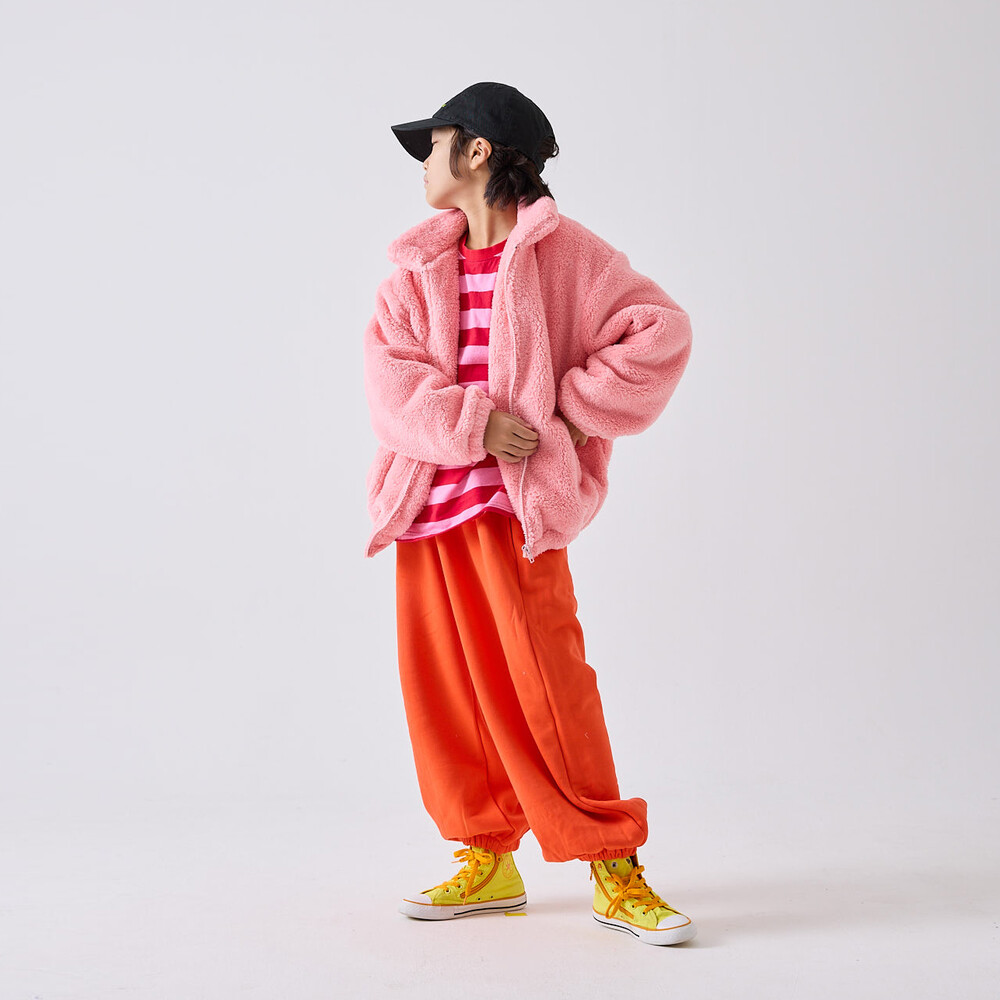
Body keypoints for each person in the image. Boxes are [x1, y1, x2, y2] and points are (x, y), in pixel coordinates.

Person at [362, 81, 696, 946]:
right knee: (448, 693)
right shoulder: (416, 270)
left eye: (433, 143)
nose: (423, 162)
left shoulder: (569, 255)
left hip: (517, 510)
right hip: (427, 508)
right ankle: (487, 854)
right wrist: (473, 423)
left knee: (548, 687)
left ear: (477, 151)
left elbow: (660, 331)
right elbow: (389, 382)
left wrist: (566, 416)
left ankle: (613, 865)